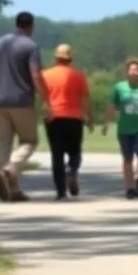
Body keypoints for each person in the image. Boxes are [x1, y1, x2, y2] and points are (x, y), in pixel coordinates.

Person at [0, 11, 50, 202]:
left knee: (4, 143)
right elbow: (35, 74)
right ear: (31, 26)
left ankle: (13, 190)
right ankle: (9, 169)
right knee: (29, 141)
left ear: (16, 24)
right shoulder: (30, 46)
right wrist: (46, 100)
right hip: (21, 101)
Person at [41, 43, 94, 200]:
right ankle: (71, 170)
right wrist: (90, 118)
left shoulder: (45, 75)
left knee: (57, 154)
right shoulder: (78, 75)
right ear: (70, 58)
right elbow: (85, 99)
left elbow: (43, 98)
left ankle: (60, 190)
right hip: (74, 117)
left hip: (53, 117)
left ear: (56, 57)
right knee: (75, 151)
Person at [103, 58, 138, 199]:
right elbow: (112, 107)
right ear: (127, 72)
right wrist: (106, 123)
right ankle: (130, 188)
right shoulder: (119, 88)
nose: (133, 72)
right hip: (124, 129)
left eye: (136, 69)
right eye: (130, 69)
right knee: (127, 159)